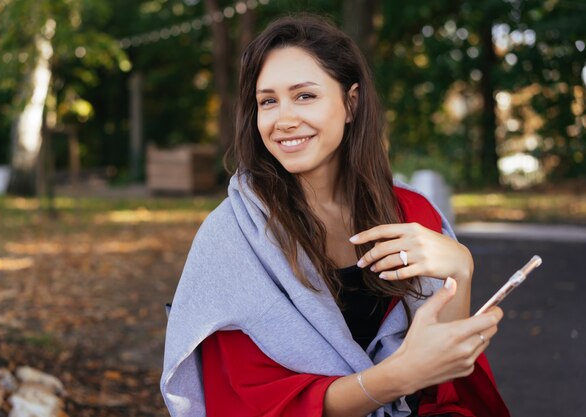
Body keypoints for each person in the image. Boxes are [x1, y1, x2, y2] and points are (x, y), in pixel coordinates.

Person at [161, 14, 510, 417]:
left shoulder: (410, 213)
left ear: (351, 102)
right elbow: (255, 403)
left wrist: (461, 268)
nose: (284, 119)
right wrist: (395, 378)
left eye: (305, 96)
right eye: (268, 101)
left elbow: (447, 380)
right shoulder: (232, 240)